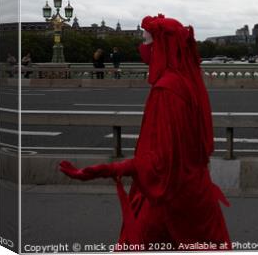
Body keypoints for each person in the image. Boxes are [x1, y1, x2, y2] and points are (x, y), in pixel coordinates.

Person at [60, 14, 231, 249]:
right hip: (196, 195)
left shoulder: (166, 90)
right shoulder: (187, 81)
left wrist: (110, 169)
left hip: (167, 202)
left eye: (147, 42)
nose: (143, 49)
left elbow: (160, 162)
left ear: (162, 47)